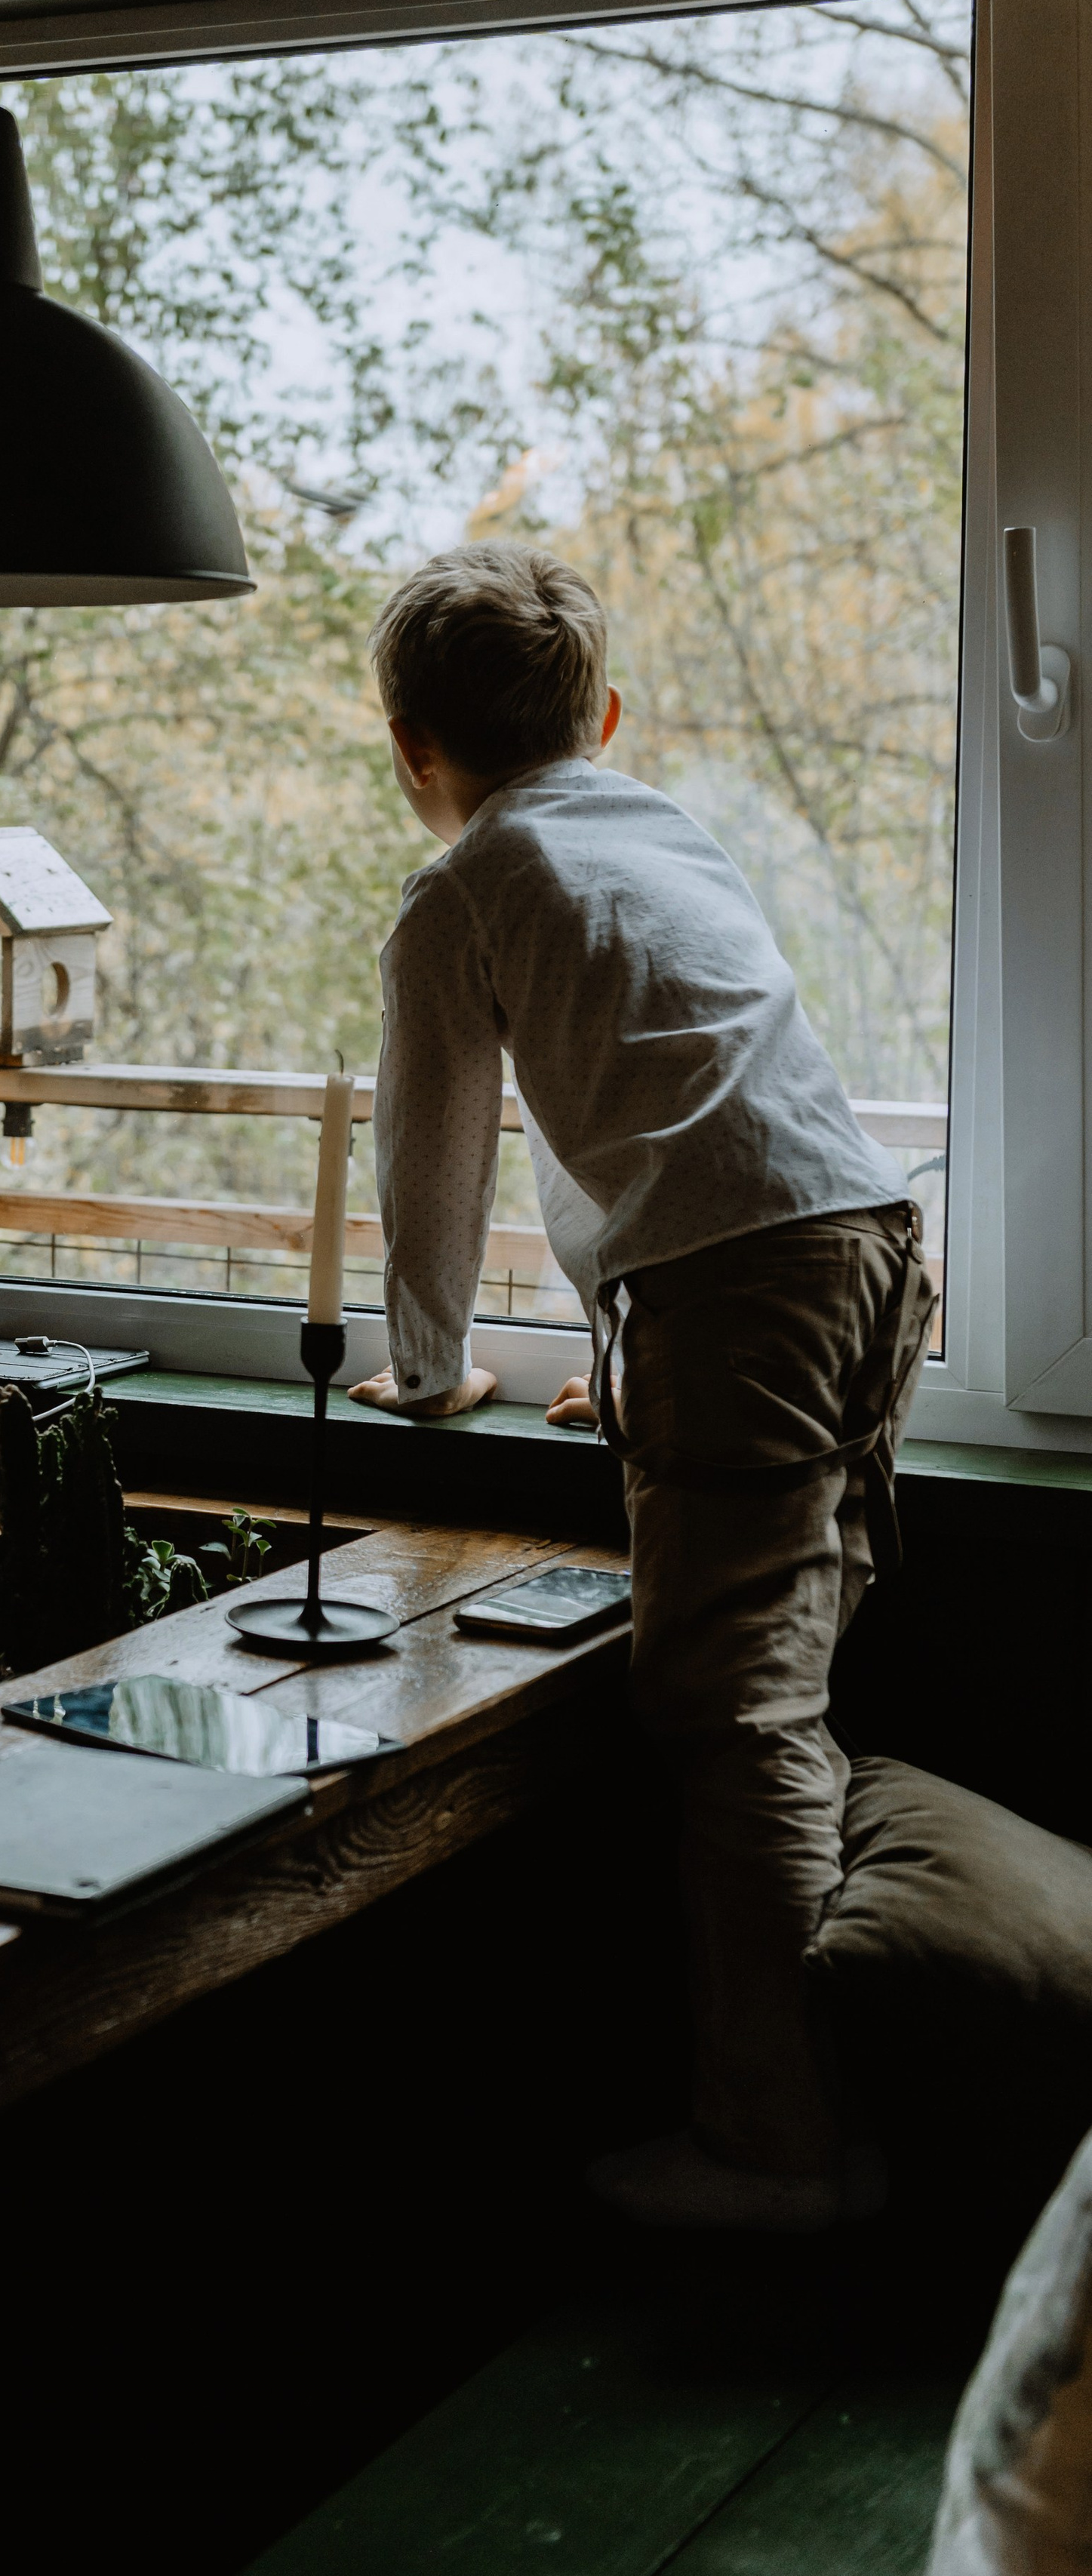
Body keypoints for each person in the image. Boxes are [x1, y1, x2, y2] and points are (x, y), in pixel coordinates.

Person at [349, 543, 937, 2231]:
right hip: (867, 1243)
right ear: (599, 717)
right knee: (792, 1667)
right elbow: (683, 1097)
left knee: (730, 1715)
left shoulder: (459, 888)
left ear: (410, 748)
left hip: (744, 1289)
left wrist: (428, 1362)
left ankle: (773, 2144)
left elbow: (434, 1153)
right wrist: (630, 1379)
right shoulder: (661, 830)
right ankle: (830, 2094)